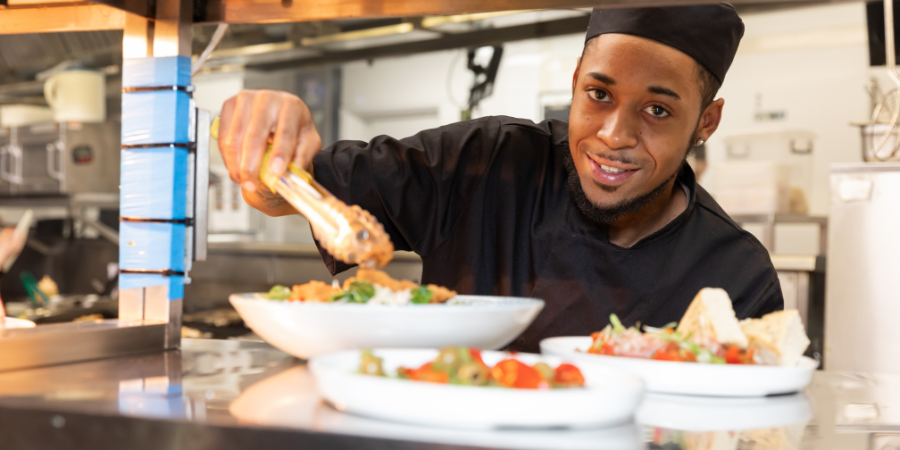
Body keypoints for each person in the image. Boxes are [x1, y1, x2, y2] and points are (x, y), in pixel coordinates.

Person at [217, 4, 783, 352]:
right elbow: (276, 192)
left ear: (705, 122)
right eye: (599, 94)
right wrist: (269, 138)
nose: (614, 134)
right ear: (575, 82)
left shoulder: (736, 273)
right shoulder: (487, 161)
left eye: (657, 110)